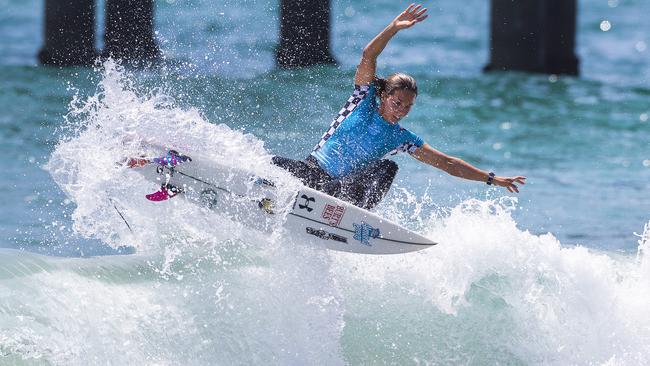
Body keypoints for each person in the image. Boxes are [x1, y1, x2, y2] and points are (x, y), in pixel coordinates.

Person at [273, 4, 526, 210]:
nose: (402, 110)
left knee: (388, 167)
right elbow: (368, 55)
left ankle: (349, 217)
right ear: (383, 95)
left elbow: (448, 163)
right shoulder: (363, 98)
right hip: (312, 171)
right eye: (397, 103)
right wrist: (393, 28)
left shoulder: (401, 138)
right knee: (268, 164)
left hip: (338, 191)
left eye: (408, 106)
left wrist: (492, 179)